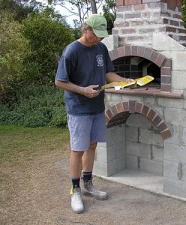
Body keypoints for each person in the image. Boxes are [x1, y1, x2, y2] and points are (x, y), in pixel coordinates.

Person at [55, 14, 132, 214]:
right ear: (85, 29)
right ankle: (76, 190)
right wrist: (83, 90)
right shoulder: (72, 51)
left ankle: (88, 184)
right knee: (78, 149)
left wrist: (124, 81)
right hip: (79, 109)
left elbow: (108, 73)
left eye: (100, 35)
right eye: (95, 34)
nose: (97, 38)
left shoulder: (101, 48)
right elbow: (59, 81)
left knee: (91, 145)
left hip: (97, 107)